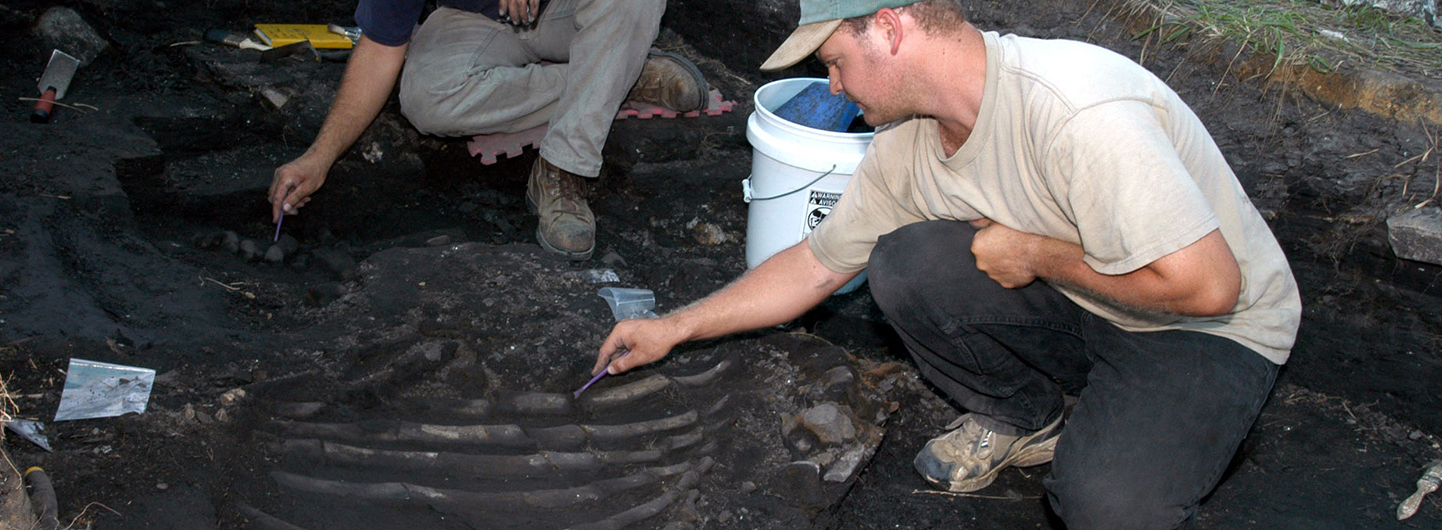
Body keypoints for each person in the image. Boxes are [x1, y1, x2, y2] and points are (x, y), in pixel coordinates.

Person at [591, 0, 1301, 527]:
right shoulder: (908, 147)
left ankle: (1172, 427)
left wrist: (1036, 253)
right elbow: (813, 266)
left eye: (835, 61)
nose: (833, 87)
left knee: (1104, 504)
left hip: (1205, 329)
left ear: (892, 30)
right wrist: (675, 327)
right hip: (1086, 302)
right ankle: (1025, 417)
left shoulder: (1078, 110)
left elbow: (1210, 288)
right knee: (906, 262)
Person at [268, 0, 709, 260]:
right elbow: (381, 48)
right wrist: (318, 156)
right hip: (471, 19)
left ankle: (563, 170)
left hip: (569, 14)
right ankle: (622, 77)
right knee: (427, 98)